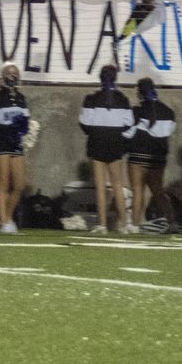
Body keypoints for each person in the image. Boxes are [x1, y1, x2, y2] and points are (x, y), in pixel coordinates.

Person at [79, 64, 134, 235]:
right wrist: (119, 136)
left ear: (100, 78)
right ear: (115, 78)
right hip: (115, 144)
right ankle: (124, 224)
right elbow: (129, 124)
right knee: (117, 185)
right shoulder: (123, 99)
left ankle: (102, 224)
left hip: (97, 143)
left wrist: (96, 132)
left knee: (101, 187)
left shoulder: (91, 99)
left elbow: (85, 123)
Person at [124, 77, 177, 233]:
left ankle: (134, 224)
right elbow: (167, 132)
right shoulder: (169, 112)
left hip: (137, 155)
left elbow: (127, 134)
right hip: (158, 157)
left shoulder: (136, 111)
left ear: (140, 93)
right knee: (158, 191)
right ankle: (171, 222)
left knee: (137, 190)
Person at [0, 62, 29, 234]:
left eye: (15, 73)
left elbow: (25, 121)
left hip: (16, 144)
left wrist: (22, 130)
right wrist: (9, 129)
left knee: (19, 185)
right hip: (1, 143)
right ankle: (3, 221)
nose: (12, 76)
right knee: (3, 183)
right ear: (2, 78)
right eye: (9, 73)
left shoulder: (21, 98)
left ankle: (8, 217)